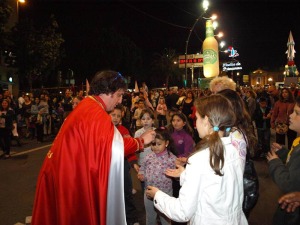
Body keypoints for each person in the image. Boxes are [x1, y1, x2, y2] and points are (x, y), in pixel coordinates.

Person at [31, 70, 155, 225]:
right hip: (70, 177)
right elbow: (113, 148)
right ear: (109, 92)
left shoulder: (88, 105)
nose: (119, 101)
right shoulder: (97, 114)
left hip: (65, 171)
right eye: (119, 95)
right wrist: (141, 141)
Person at [146, 95, 248, 225]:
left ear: (206, 121)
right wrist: (185, 174)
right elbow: (214, 183)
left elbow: (182, 211)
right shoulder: (233, 150)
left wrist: (158, 195)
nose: (195, 123)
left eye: (197, 118)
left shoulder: (199, 159)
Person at [267, 96, 300, 225]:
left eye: (297, 113)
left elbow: (290, 184)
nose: (290, 116)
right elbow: (295, 163)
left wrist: (275, 163)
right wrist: (283, 152)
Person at [138, 127, 177, 225]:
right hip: (149, 193)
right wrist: (141, 174)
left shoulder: (172, 158)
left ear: (166, 143)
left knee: (165, 219)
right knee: (150, 218)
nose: (155, 147)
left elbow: (177, 174)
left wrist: (177, 171)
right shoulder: (148, 156)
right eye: (153, 144)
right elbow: (142, 168)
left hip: (165, 193)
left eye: (159, 144)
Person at [109, 105, 140, 225]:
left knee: (126, 193)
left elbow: (130, 149)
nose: (115, 118)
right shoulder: (102, 129)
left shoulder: (124, 131)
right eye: (113, 115)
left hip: (122, 166)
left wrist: (133, 163)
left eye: (118, 115)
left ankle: (132, 219)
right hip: (107, 168)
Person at [134, 108, 156, 192]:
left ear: (153, 120)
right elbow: (135, 150)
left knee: (154, 182)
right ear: (140, 121)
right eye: (143, 119)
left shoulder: (156, 132)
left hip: (155, 162)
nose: (145, 121)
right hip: (142, 162)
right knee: (143, 183)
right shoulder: (138, 133)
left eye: (148, 119)